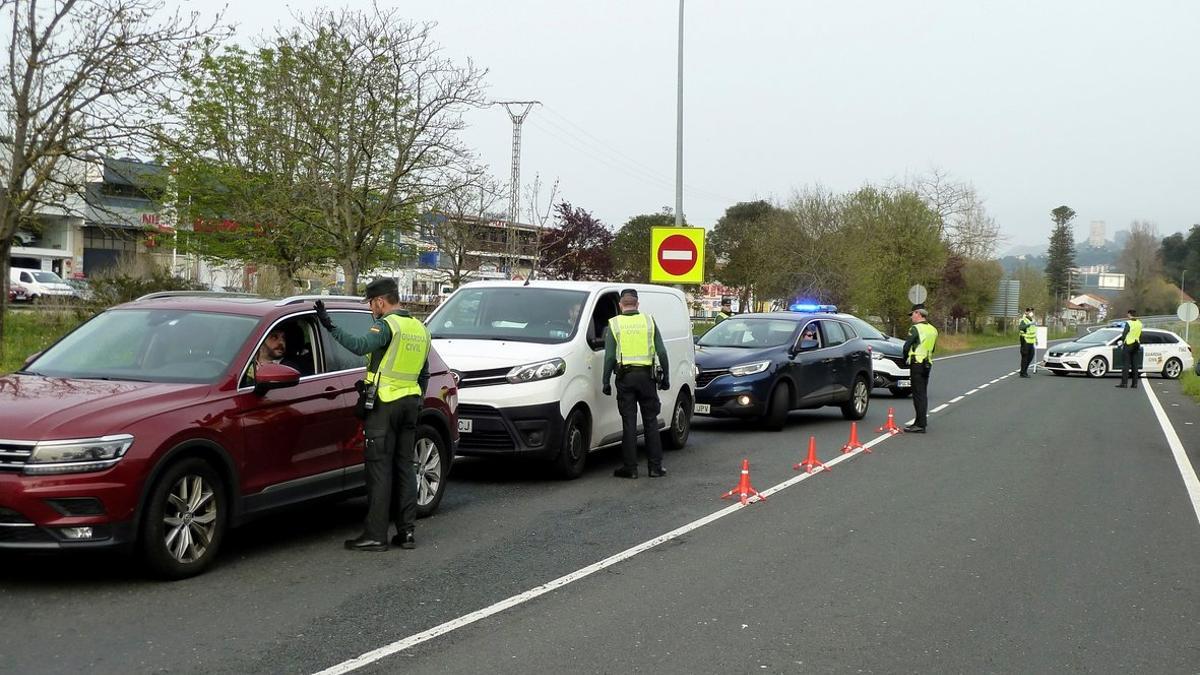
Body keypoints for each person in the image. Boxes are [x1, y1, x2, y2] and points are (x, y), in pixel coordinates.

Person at [314, 278, 430, 552]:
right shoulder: (420, 328)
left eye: (371, 303)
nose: (371, 309)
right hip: (410, 404)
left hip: (385, 405)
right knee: (404, 468)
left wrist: (328, 324)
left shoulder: (387, 325)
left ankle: (376, 535)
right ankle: (407, 533)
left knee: (378, 469)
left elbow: (358, 345)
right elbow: (423, 374)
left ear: (381, 301)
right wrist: (418, 400)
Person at [602, 288, 670, 479]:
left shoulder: (614, 324)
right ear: (637, 304)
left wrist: (605, 381)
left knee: (629, 423)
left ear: (621, 305)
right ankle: (655, 468)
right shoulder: (649, 321)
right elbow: (662, 352)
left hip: (625, 378)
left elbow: (608, 357)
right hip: (647, 378)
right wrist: (666, 377)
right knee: (651, 422)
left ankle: (630, 468)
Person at [901, 306, 938, 433]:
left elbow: (906, 347)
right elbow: (932, 349)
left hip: (917, 363)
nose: (911, 317)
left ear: (918, 314)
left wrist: (905, 358)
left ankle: (920, 424)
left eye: (912, 314)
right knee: (922, 393)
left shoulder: (915, 328)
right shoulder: (933, 329)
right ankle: (919, 421)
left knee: (918, 394)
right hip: (927, 363)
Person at [1116, 308, 1143, 389]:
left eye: (1127, 314)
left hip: (1128, 344)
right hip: (1136, 344)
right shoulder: (1139, 323)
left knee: (1126, 365)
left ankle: (1124, 383)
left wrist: (1123, 341)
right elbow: (1140, 334)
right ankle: (1134, 384)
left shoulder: (1128, 323)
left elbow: (1124, 334)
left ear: (1129, 314)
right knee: (1135, 365)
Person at [1018, 307, 1038, 378]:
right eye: (1029, 311)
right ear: (1026, 312)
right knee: (1025, 357)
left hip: (1031, 342)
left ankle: (1023, 370)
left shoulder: (1032, 320)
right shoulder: (1023, 320)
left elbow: (1033, 331)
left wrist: (1036, 339)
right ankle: (1023, 373)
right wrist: (1029, 324)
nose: (1031, 312)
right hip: (1025, 341)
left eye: (1032, 311)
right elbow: (1021, 327)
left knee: (1031, 356)